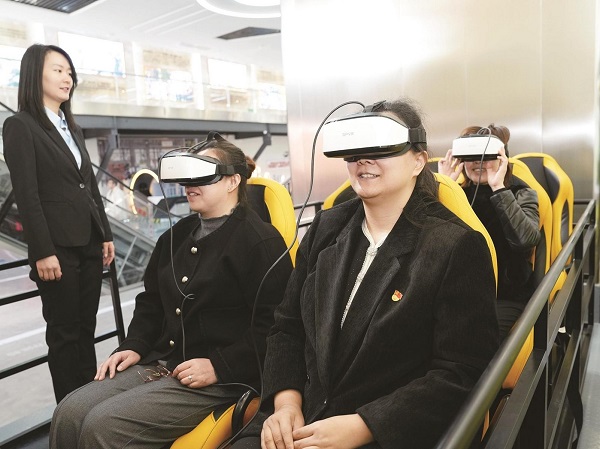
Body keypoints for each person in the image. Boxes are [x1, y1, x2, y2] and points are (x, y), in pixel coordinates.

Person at [232, 99, 499, 449]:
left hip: (386, 432)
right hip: (299, 418)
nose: (363, 160)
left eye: (381, 147)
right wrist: (286, 403)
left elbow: (460, 371)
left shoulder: (455, 246)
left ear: (418, 160)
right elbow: (287, 327)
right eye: (356, 150)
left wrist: (364, 426)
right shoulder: (325, 228)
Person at [49, 135, 294, 449]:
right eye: (188, 176)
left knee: (102, 426)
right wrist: (136, 344)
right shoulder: (174, 237)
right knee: (69, 412)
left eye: (202, 175)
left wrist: (219, 366)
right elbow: (151, 302)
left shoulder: (260, 242)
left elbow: (277, 327)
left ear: (233, 181)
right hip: (165, 363)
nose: (190, 185)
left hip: (222, 380)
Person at [2, 44, 115, 403]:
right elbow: (27, 194)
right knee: (65, 336)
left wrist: (105, 234)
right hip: (57, 249)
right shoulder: (20, 126)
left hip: (89, 243)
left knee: (85, 330)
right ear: (34, 75)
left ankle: (88, 407)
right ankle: (70, 416)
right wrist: (42, 251)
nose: (67, 78)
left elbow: (90, 187)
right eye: (58, 70)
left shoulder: (73, 129)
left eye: (69, 72)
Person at [438, 124, 541, 341]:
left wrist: (499, 188)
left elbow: (526, 240)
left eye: (487, 155)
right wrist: (442, 187)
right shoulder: (456, 194)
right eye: (472, 156)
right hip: (459, 293)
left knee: (476, 343)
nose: (479, 162)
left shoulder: (521, 193)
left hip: (504, 297)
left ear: (503, 158)